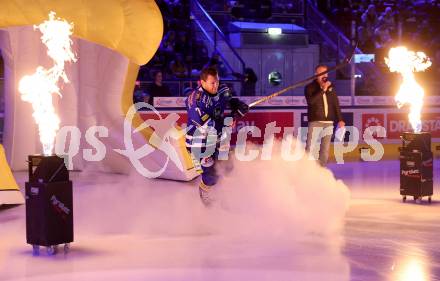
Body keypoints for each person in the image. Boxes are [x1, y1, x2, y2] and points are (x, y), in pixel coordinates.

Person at [185, 67, 249, 206]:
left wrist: (238, 105)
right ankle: (204, 190)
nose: (216, 86)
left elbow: (229, 100)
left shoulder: (221, 89)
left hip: (217, 138)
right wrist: (232, 117)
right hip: (199, 143)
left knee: (228, 167)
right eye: (212, 83)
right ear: (202, 82)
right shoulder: (196, 101)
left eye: (217, 81)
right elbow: (210, 128)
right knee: (211, 174)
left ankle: (223, 194)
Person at [304, 64, 345, 167]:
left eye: (325, 73)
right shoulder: (310, 87)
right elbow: (311, 101)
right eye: (321, 73)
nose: (324, 75)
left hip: (328, 123)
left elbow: (335, 103)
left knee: (325, 150)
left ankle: (321, 170)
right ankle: (306, 170)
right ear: (316, 74)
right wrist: (323, 90)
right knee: (310, 148)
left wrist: (340, 119)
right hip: (315, 121)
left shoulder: (331, 87)